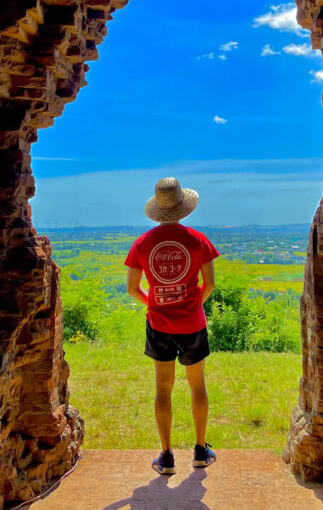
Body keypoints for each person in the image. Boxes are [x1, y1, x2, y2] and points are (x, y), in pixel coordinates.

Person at [125, 176, 220, 475]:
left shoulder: (142, 244)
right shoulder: (198, 240)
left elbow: (132, 289)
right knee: (197, 386)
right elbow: (210, 284)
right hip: (192, 323)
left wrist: (154, 303)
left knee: (162, 389)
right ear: (183, 207)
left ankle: (166, 457)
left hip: (159, 324)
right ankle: (201, 451)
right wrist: (193, 304)